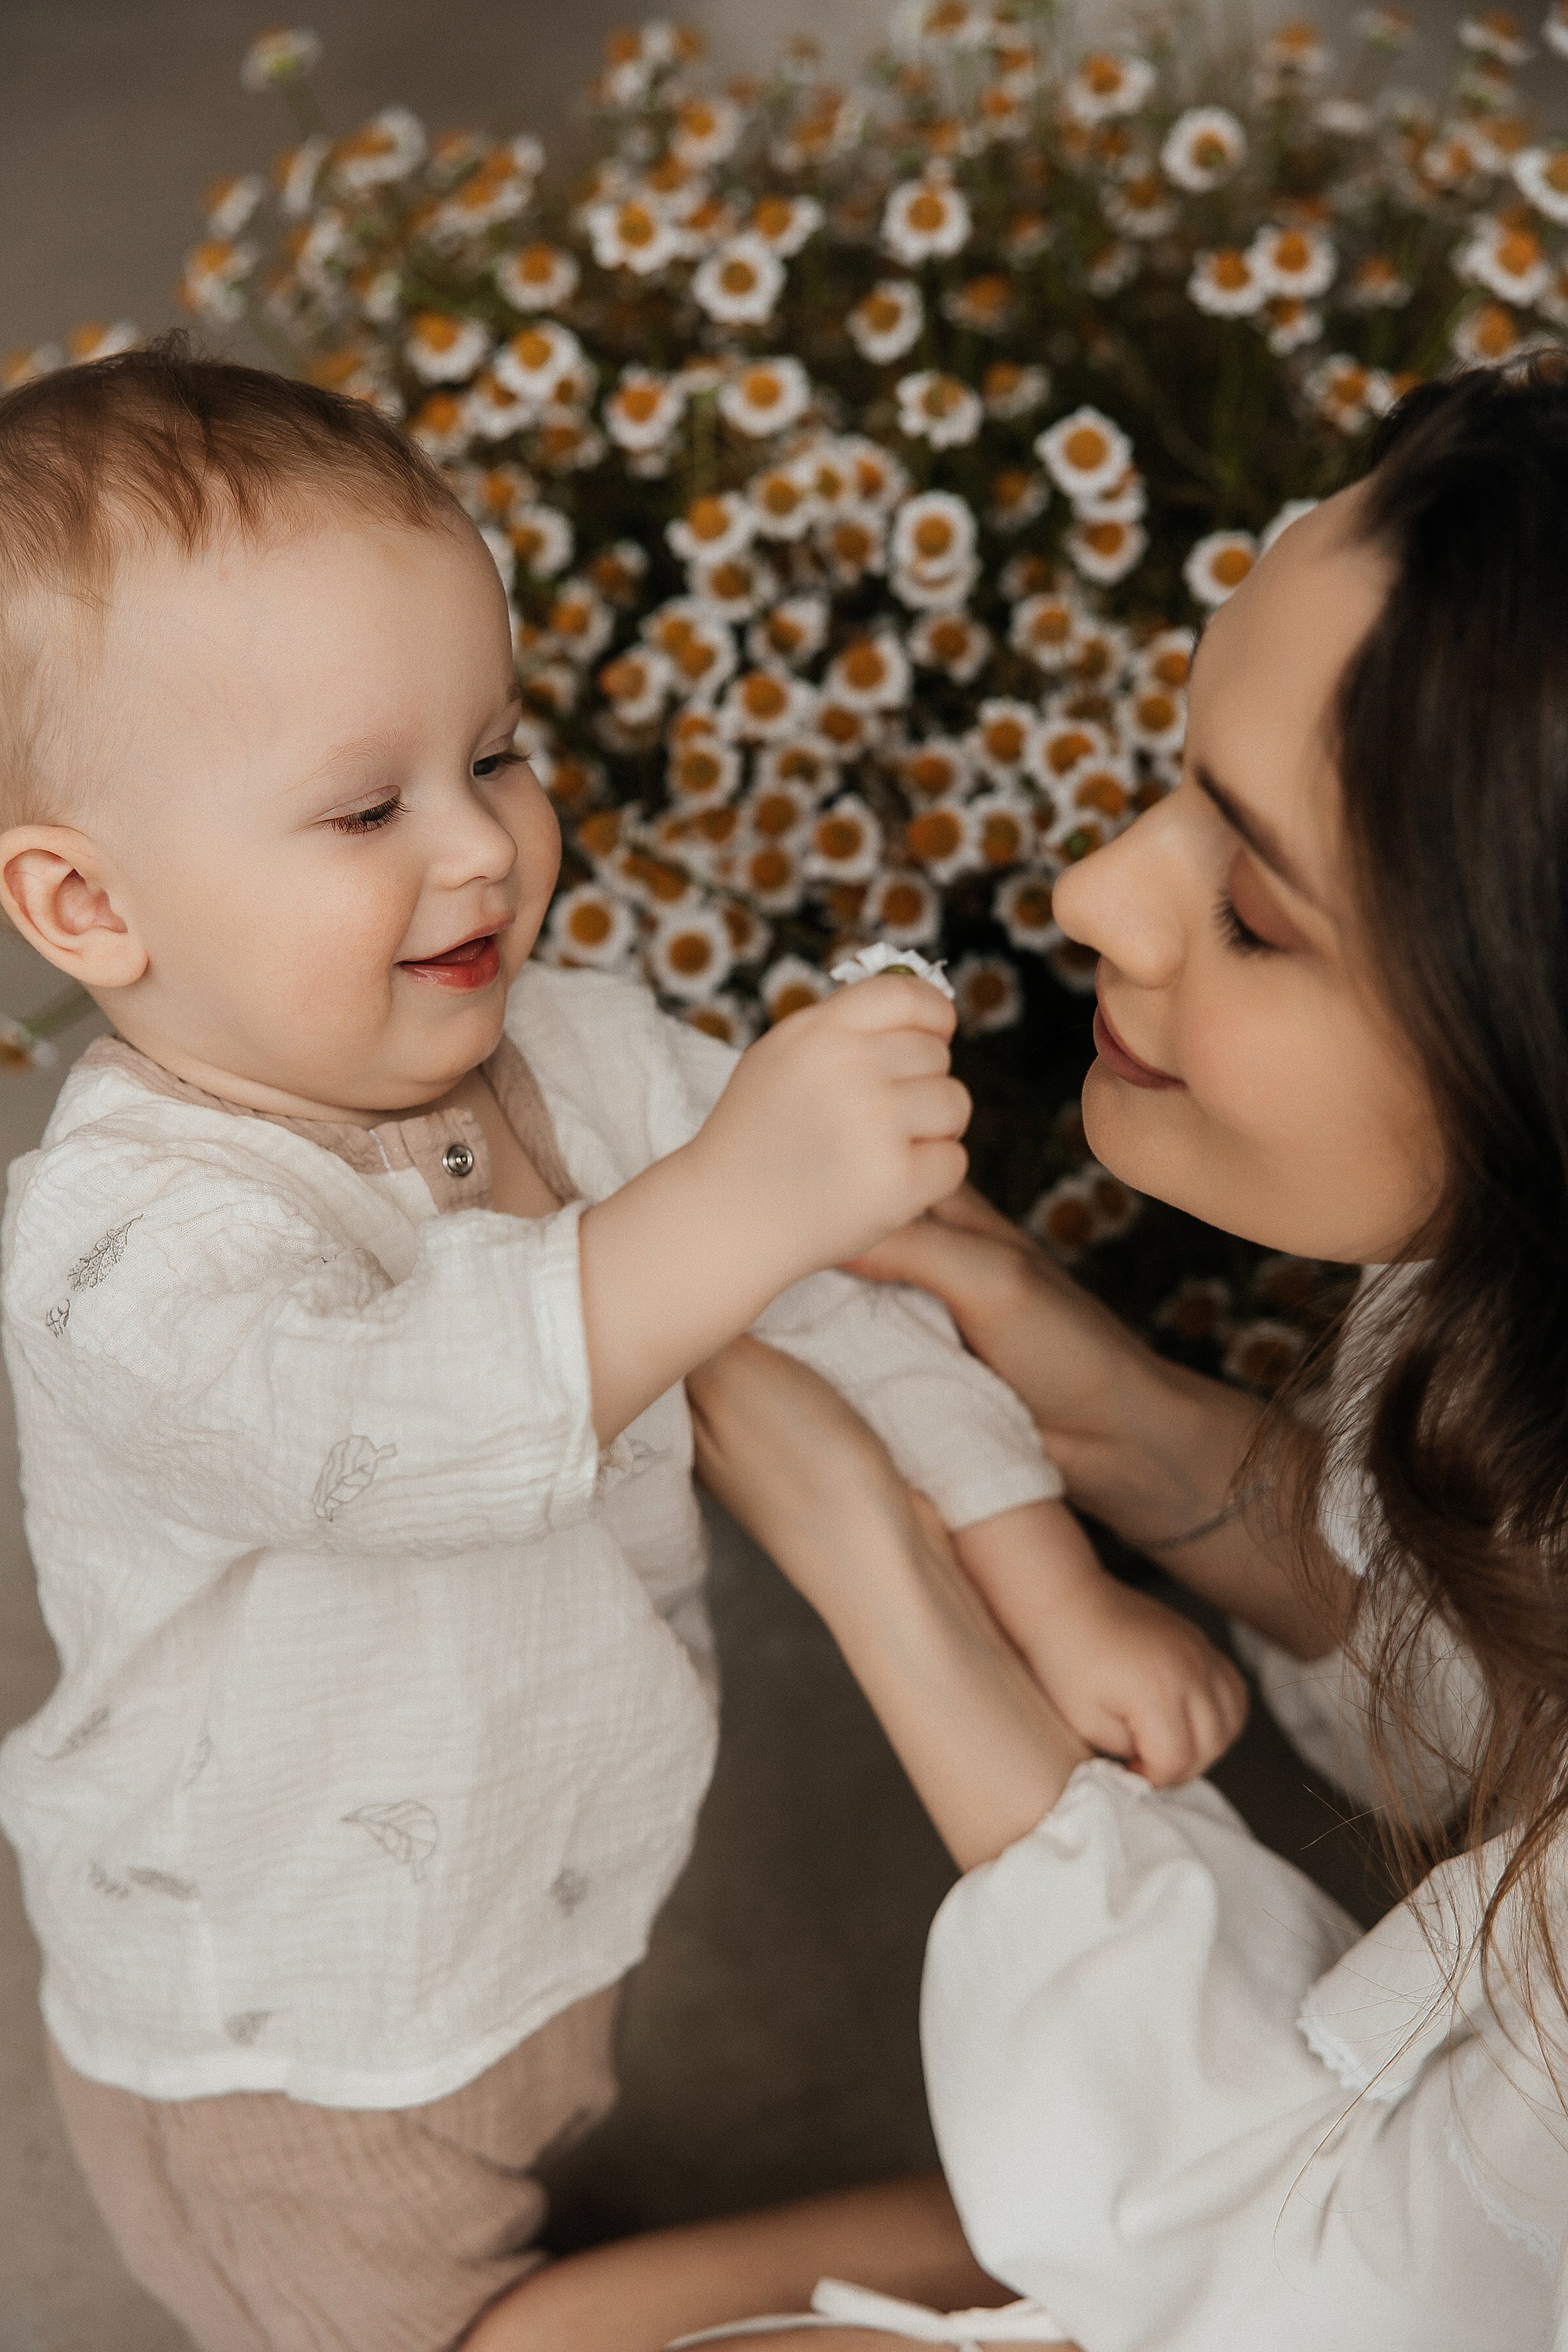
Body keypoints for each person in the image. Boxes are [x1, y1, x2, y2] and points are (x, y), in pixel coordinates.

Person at [0, 342, 1242, 2352]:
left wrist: (1045, 1584)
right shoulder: (120, 1245)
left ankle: (1071, 2208)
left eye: (494, 753)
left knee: (552, 2181)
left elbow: (840, 1288)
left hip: (544, 1896)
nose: (484, 846)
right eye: (360, 808)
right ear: (88, 903)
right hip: (288, 2038)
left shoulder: (567, 1050)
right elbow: (383, 1435)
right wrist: (731, 1199)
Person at [470, 358, 1568, 2350]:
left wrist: (902, 1590)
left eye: (1246, 905)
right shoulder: (1508, 1289)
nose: (1088, 894)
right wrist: (1122, 1421)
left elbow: (1320, 2306)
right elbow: (1513, 1670)